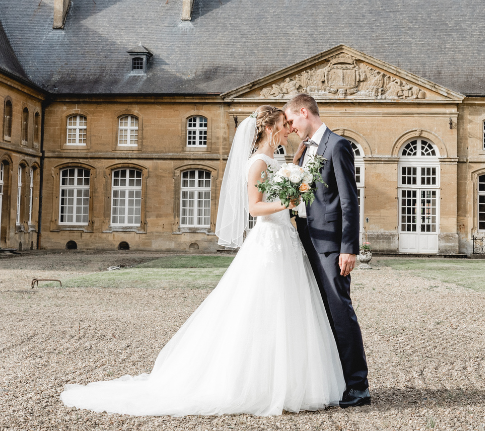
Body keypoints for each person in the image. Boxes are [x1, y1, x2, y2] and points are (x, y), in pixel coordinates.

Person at [60, 105, 345, 417]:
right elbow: (254, 208)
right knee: (264, 308)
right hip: (269, 242)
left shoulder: (275, 160)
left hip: (285, 241)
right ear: (269, 128)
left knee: (289, 309)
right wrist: (286, 202)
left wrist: (294, 180)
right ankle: (259, 384)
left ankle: (291, 381)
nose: (289, 128)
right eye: (283, 124)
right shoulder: (257, 163)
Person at [283, 93, 371, 408]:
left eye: (291, 120)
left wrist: (350, 248)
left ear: (304, 112)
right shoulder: (305, 150)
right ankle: (333, 381)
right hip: (306, 240)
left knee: (339, 311)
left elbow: (349, 200)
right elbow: (309, 196)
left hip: (331, 246)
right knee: (318, 314)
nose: (290, 127)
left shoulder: (337, 145)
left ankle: (358, 386)